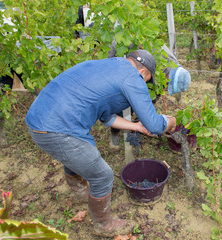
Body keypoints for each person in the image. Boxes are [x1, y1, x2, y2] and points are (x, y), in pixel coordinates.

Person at [25, 49, 177, 237]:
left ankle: (82, 195)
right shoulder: (133, 77)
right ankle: (103, 225)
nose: (144, 83)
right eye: (147, 80)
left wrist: (136, 127)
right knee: (102, 176)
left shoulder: (107, 66)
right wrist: (170, 121)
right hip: (58, 130)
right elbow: (154, 124)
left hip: (40, 121)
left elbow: (107, 118)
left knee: (79, 156)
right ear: (144, 73)